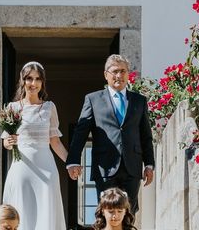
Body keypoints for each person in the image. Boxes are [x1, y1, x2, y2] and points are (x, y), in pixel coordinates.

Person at [66, 54, 155, 214]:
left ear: (128, 74)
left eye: (123, 71)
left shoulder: (139, 101)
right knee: (107, 213)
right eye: (114, 71)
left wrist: (149, 164)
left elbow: (145, 135)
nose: (119, 75)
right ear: (106, 74)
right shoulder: (93, 99)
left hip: (132, 168)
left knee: (128, 213)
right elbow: (81, 132)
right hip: (104, 167)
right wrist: (73, 161)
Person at [1, 61, 67, 230]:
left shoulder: (49, 107)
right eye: (29, 78)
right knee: (22, 209)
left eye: (38, 79)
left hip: (46, 166)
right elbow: (6, 141)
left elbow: (55, 141)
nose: (33, 83)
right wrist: (8, 143)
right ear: (22, 81)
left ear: (42, 82)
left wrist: (71, 162)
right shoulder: (13, 108)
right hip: (21, 166)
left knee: (47, 208)